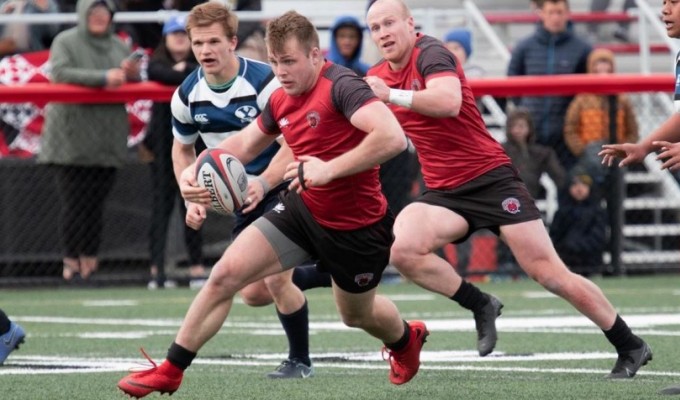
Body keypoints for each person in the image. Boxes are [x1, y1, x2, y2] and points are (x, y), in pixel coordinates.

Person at [118, 10, 428, 397]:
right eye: (276, 62)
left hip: (356, 226)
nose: (280, 72)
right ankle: (170, 369)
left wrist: (329, 169)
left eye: (290, 62)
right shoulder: (280, 97)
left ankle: (405, 341)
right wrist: (194, 177)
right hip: (301, 209)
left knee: (356, 315)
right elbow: (243, 145)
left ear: (316, 55)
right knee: (225, 275)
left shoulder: (343, 86)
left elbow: (393, 138)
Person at [365, 0, 651, 379]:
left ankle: (629, 343)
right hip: (445, 192)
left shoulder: (430, 52)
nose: (383, 32)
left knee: (548, 273)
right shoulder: (375, 76)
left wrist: (392, 95)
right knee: (401, 249)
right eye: (375, 27)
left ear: (410, 24)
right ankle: (480, 302)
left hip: (490, 180)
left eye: (389, 23)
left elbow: (448, 102)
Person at [164, 3, 334, 379]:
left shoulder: (264, 82)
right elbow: (182, 149)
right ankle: (333, 271)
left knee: (274, 280)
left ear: (233, 42)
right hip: (243, 195)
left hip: (284, 183)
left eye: (213, 41)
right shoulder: (187, 94)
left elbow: (294, 143)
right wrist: (188, 189)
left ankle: (299, 361)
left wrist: (264, 182)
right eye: (197, 43)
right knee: (253, 293)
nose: (205, 50)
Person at [37, 0, 141, 281]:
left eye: (104, 13)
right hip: (70, 137)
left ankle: (90, 261)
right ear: (83, 15)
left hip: (107, 137)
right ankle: (70, 262)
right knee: (73, 203)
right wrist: (103, 77)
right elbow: (59, 72)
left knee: (97, 204)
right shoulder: (65, 41)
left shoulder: (120, 45)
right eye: (93, 13)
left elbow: (132, 80)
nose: (98, 18)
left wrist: (132, 74)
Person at [142, 14, 205, 289]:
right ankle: (157, 270)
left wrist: (184, 69)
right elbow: (158, 72)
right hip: (161, 146)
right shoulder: (157, 63)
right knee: (161, 207)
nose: (179, 38)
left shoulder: (200, 65)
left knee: (194, 203)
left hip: (192, 145)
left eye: (184, 34)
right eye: (174, 34)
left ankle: (196, 267)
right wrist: (180, 71)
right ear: (165, 38)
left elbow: (197, 73)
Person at [507, 0, 592, 170]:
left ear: (568, 14)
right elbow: (512, 83)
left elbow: (588, 92)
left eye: (560, 12)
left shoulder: (582, 48)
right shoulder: (524, 47)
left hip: (567, 134)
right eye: (551, 12)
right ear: (542, 14)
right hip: (532, 132)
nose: (555, 17)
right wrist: (526, 111)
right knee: (527, 189)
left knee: (569, 189)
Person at [564, 48, 638, 188]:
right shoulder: (582, 98)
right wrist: (582, 150)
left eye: (606, 63)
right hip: (591, 152)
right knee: (593, 190)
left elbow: (632, 127)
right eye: (599, 64)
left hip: (617, 151)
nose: (603, 68)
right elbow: (570, 127)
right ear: (591, 67)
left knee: (616, 190)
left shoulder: (622, 98)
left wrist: (625, 148)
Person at [549, 168, 607, 277]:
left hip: (590, 262)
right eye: (575, 185)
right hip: (566, 260)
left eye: (584, 185)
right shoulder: (562, 211)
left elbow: (598, 238)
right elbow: (555, 236)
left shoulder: (597, 212)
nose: (579, 189)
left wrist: (578, 246)